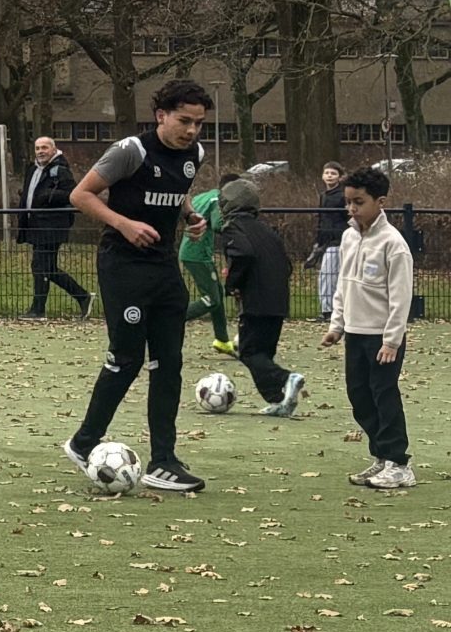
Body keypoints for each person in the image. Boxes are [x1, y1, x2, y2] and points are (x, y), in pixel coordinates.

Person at [62, 78, 214, 493]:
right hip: (123, 266)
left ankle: (164, 461)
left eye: (199, 123)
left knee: (169, 362)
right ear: (161, 115)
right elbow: (81, 195)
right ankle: (84, 442)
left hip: (164, 267)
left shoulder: (195, 154)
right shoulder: (131, 151)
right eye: (184, 121)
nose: (192, 130)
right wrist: (123, 224)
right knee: (127, 358)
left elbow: (177, 193)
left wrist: (190, 217)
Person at [322, 167, 415, 490]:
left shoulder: (393, 243)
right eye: (348, 202)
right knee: (359, 396)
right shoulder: (349, 237)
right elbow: (343, 284)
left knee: (383, 395)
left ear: (381, 202)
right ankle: (381, 456)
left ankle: (399, 463)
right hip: (355, 334)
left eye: (359, 202)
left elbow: (401, 297)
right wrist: (337, 325)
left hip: (382, 337)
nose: (351, 208)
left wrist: (391, 340)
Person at [216, 178, 304, 416]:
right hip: (278, 299)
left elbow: (242, 254)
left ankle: (286, 379)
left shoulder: (233, 228)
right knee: (264, 353)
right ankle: (279, 400)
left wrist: (233, 284)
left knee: (249, 352)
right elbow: (286, 265)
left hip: (256, 300)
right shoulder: (267, 230)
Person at [19, 135, 90, 318]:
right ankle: (81, 296)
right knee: (46, 268)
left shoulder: (61, 170)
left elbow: (72, 194)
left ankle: (38, 309)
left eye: (44, 147)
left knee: (41, 267)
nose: (40, 151)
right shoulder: (32, 169)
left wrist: (48, 196)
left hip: (52, 226)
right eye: (37, 148)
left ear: (53, 149)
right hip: (36, 225)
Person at [179, 172, 242, 354]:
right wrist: (237, 228)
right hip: (197, 254)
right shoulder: (217, 200)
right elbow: (217, 225)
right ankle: (169, 321)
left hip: (192, 251)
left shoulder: (203, 196)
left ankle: (222, 340)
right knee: (212, 299)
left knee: (218, 295)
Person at [314, 163, 349, 323]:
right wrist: (318, 240)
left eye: (333, 173)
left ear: (340, 177)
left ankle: (329, 310)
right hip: (326, 240)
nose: (329, 176)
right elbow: (321, 219)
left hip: (337, 240)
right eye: (326, 172)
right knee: (329, 275)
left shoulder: (342, 196)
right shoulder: (323, 195)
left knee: (328, 275)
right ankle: (331, 309)